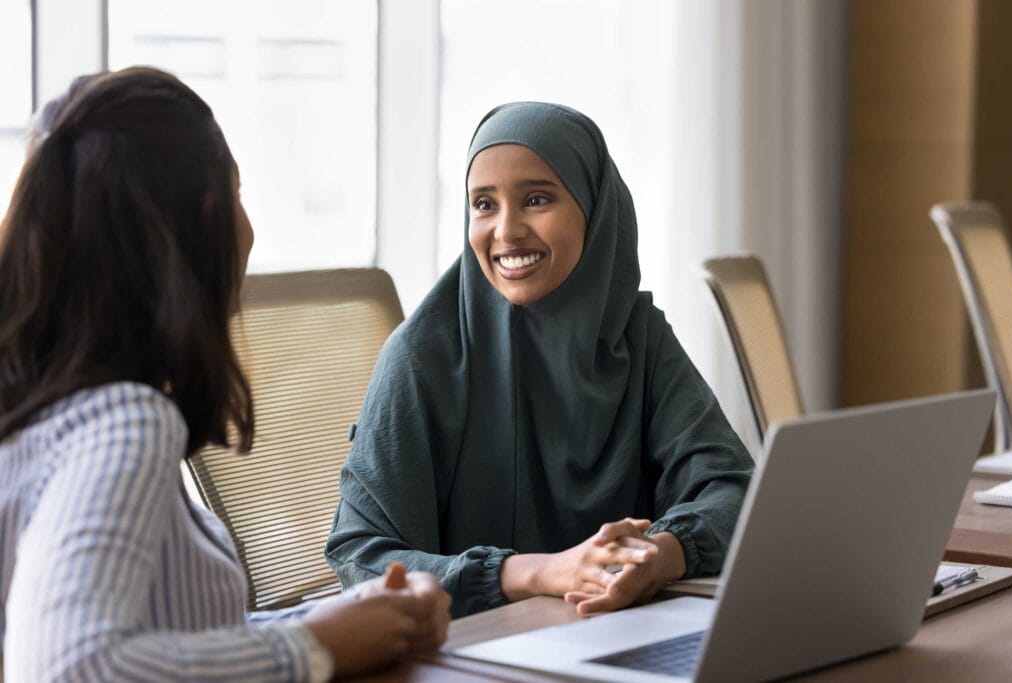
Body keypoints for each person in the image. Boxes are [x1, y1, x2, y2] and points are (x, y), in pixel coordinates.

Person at [0, 67, 450, 682]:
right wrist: (312, 649)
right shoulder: (125, 420)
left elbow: (168, 639)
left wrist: (340, 620)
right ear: (203, 215)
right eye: (237, 194)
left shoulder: (41, 408)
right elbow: (69, 669)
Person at [325, 101, 754, 618]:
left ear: (593, 209)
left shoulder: (636, 335)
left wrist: (661, 554)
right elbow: (360, 556)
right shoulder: (422, 357)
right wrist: (539, 573)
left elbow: (733, 487)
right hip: (473, 646)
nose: (506, 231)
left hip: (611, 629)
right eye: (483, 205)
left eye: (536, 199)